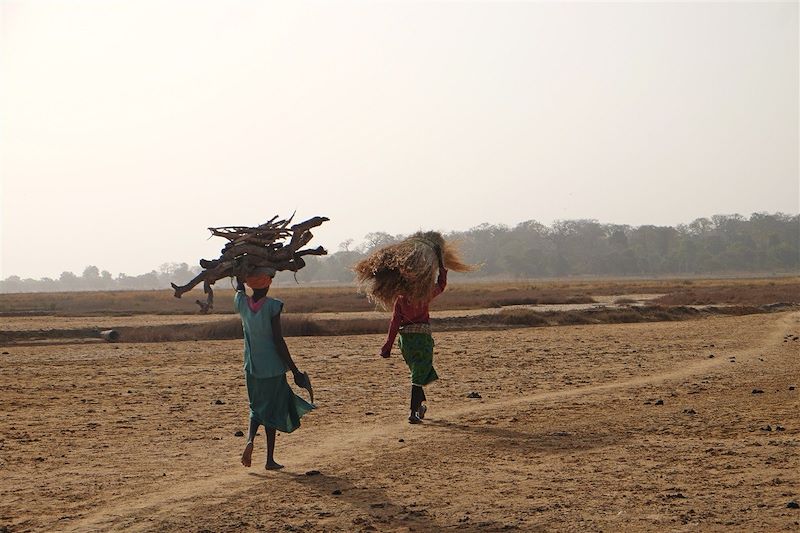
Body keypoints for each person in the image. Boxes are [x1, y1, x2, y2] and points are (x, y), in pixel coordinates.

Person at [235, 266, 314, 470]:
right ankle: (269, 459)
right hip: (272, 367)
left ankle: (250, 439)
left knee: (256, 406)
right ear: (268, 284)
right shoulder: (273, 306)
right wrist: (295, 371)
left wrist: (240, 272)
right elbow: (279, 341)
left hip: (251, 366)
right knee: (272, 408)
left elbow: (239, 287)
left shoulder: (242, 303)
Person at [380, 246, 448, 424]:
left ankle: (420, 407)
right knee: (418, 376)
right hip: (422, 340)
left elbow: (394, 323)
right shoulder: (424, 294)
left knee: (417, 373)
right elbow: (441, 285)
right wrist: (441, 266)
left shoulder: (400, 299)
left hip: (406, 343)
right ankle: (413, 413)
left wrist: (387, 347)